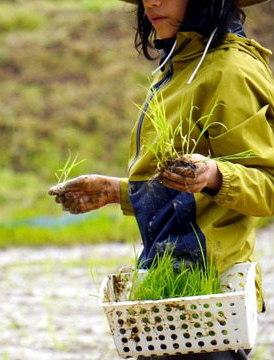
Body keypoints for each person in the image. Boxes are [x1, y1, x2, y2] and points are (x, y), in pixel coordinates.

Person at [48, 0, 274, 358]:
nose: (152, 1)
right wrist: (114, 191)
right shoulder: (174, 68)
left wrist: (216, 175)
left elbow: (268, 185)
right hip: (164, 288)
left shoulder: (230, 70)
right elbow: (180, 186)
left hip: (213, 299)